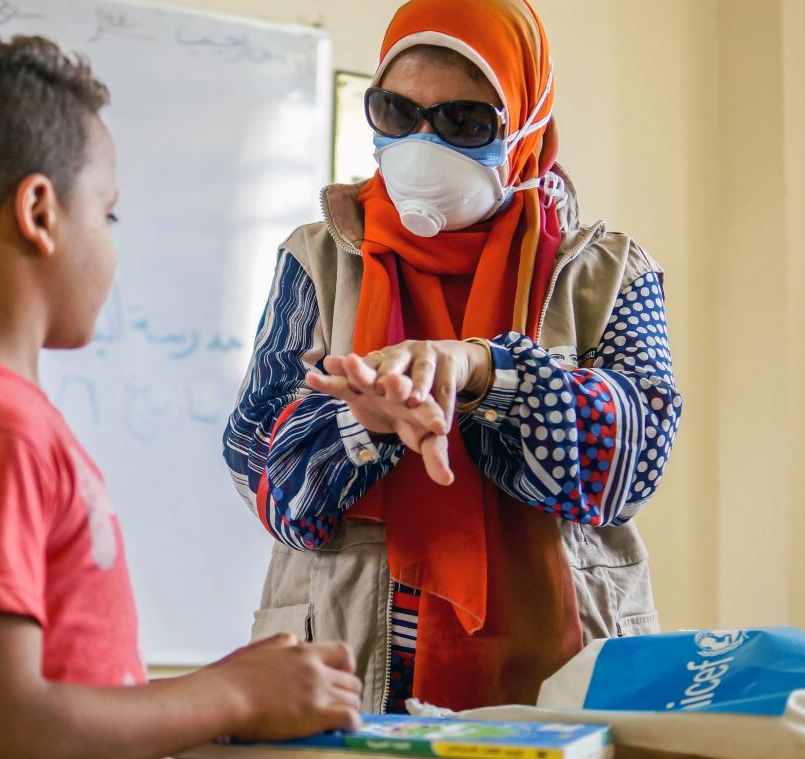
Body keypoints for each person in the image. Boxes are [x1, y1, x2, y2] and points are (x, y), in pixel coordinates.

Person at [0, 32, 362, 759]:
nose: (114, 243)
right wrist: (237, 693)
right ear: (38, 211)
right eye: (108, 212)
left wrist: (224, 693)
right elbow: (0, 731)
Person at [224, 0, 683, 714]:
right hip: (345, 686)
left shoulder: (608, 270)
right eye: (396, 112)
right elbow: (261, 468)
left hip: (558, 699)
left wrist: (485, 372)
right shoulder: (317, 258)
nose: (421, 141)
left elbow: (634, 460)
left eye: (465, 122)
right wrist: (361, 423)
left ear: (527, 124)